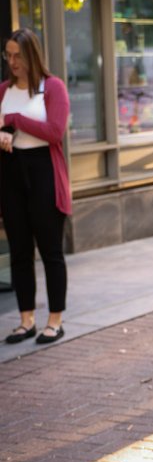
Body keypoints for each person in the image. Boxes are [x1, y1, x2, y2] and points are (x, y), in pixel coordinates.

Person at [0, 28, 71, 345]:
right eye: (8, 55)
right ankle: (26, 320)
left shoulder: (52, 87)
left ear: (32, 55)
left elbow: (55, 131)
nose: (12, 61)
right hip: (11, 172)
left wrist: (14, 119)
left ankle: (55, 321)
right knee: (19, 251)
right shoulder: (3, 90)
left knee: (51, 251)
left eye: (18, 55)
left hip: (44, 173)